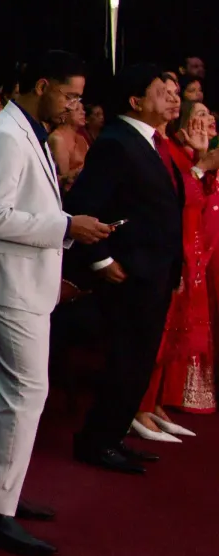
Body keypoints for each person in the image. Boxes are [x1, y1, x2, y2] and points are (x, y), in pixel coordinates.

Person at [0, 51, 109, 555]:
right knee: (27, 392)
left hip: (19, 277)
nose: (74, 106)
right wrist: (67, 226)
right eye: (70, 95)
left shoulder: (24, 128)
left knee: (19, 392)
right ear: (42, 85)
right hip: (4, 281)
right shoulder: (1, 135)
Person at [64, 61, 185, 475]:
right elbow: (83, 206)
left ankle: (111, 437)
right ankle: (97, 442)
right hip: (129, 273)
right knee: (125, 361)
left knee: (138, 361)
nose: (173, 95)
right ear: (135, 100)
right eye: (161, 90)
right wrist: (102, 259)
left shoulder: (149, 141)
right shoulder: (116, 141)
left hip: (154, 269)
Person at [133, 99, 219, 437]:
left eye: (208, 115)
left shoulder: (187, 152)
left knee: (176, 333)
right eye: (197, 116)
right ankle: (138, 408)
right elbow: (179, 198)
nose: (205, 121)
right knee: (161, 331)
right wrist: (202, 165)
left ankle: (156, 403)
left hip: (194, 249)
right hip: (174, 249)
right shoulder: (167, 150)